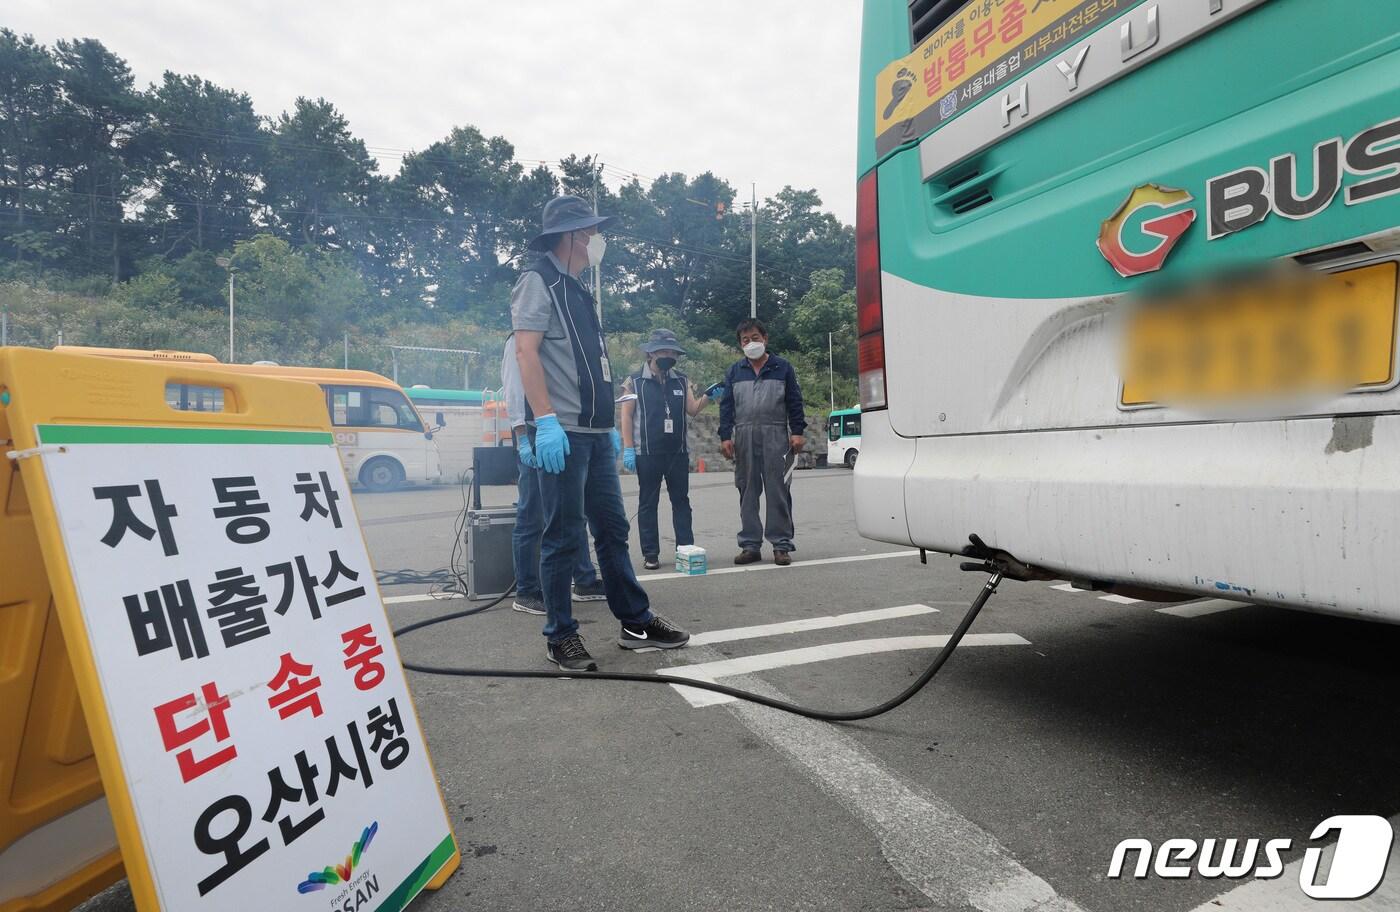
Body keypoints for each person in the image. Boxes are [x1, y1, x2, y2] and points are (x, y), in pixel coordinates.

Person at [511, 195, 689, 669]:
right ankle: (559, 635)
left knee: (611, 530)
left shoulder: (578, 290)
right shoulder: (538, 281)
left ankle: (635, 621)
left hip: (592, 432)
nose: (595, 241)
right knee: (563, 537)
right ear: (570, 236)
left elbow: (590, 365)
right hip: (563, 433)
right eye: (589, 233)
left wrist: (608, 426)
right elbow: (525, 353)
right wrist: (542, 421)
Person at [498, 335, 610, 614]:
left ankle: (583, 579)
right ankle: (526, 590)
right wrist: (522, 437)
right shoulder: (520, 340)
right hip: (538, 433)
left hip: (566, 433)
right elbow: (514, 392)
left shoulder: (561, 342)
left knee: (572, 511)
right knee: (532, 514)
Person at [619, 328, 721, 570]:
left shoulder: (682, 380)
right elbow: (626, 415)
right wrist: (628, 449)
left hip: (677, 452)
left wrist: (710, 396)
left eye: (672, 352)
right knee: (647, 503)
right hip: (647, 452)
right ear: (651, 353)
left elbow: (693, 409)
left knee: (681, 501)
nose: (668, 355)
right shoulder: (633, 381)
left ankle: (685, 549)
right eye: (663, 351)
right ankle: (650, 554)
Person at [717, 317, 806, 566]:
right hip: (743, 436)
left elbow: (795, 402)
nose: (751, 342)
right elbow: (727, 407)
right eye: (745, 340)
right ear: (740, 345)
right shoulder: (735, 371)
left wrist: (797, 431)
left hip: (776, 434)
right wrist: (725, 436)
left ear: (765, 339)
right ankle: (750, 545)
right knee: (747, 490)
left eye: (755, 338)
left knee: (778, 490)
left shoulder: (783, 367)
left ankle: (781, 545)